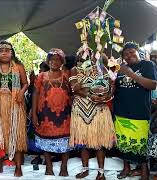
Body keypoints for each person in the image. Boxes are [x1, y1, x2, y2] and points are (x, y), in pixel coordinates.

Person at [69, 46, 116, 180]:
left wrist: (106, 96)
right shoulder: (74, 70)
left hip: (99, 108)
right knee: (83, 141)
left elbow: (110, 86)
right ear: (78, 57)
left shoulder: (102, 69)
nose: (85, 57)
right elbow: (75, 89)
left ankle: (101, 172)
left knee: (100, 141)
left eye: (88, 54)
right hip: (81, 108)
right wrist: (91, 95)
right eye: (82, 55)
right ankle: (85, 169)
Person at [114, 42, 157, 180]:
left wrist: (131, 74)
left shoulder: (148, 65)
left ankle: (144, 170)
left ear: (139, 52)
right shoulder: (121, 69)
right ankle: (126, 167)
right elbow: (116, 89)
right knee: (123, 141)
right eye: (125, 54)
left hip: (139, 112)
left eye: (132, 52)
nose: (129, 55)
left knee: (140, 142)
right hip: (121, 112)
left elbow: (152, 85)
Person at [0, 41, 28, 177]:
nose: (4, 52)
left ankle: (18, 167)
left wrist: (21, 92)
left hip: (15, 104)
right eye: (1, 50)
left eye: (7, 50)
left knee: (17, 134)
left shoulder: (18, 67)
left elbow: (25, 83)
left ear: (12, 53)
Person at [32, 48, 71, 176]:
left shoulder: (67, 75)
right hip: (45, 114)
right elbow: (35, 94)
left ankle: (64, 167)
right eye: (52, 59)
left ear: (62, 62)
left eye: (57, 59)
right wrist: (34, 114)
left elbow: (72, 93)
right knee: (45, 140)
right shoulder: (41, 76)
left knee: (66, 141)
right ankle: (49, 167)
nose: (54, 62)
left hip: (64, 114)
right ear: (48, 61)